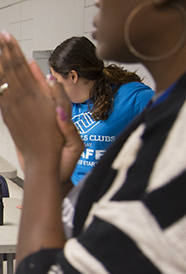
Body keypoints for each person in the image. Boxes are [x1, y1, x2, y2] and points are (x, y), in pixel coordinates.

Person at [0, 0, 186, 274]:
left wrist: (41, 161)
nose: (96, 1)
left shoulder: (177, 141)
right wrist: (59, 180)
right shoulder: (168, 113)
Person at [48, 36, 154, 185]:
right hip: (72, 196)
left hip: (109, 198)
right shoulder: (69, 104)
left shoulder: (133, 97)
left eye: (58, 81)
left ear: (73, 76)